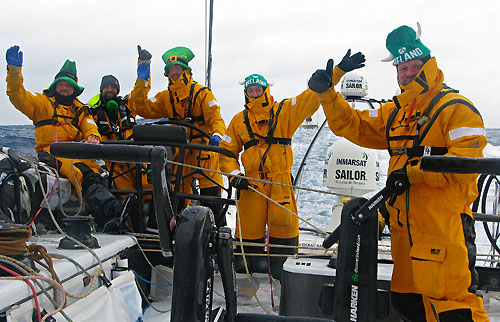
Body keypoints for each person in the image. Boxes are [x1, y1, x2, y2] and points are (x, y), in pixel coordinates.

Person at [308, 24, 489, 321]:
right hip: (404, 235)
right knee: (407, 305)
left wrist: (415, 173)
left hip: (443, 231)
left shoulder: (456, 108)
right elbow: (354, 125)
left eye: (413, 66)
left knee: (453, 309)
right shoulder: (397, 113)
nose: (407, 74)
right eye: (401, 68)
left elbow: (467, 163)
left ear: (428, 65)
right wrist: (329, 95)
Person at [219, 51, 365, 280]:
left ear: (266, 90)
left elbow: (313, 95)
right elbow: (226, 153)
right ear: (245, 93)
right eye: (250, 90)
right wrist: (234, 174)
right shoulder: (238, 120)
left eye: (258, 89)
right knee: (246, 237)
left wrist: (338, 72)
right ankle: (246, 284)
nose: (255, 93)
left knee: (285, 232)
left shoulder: (284, 111)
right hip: (250, 185)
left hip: (281, 184)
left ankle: (283, 280)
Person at [5, 45, 132, 228]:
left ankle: (110, 220)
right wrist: (14, 71)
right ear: (55, 85)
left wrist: (93, 137)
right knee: (83, 172)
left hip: (77, 153)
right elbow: (17, 96)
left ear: (74, 88)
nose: (64, 88)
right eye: (61, 84)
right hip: (52, 153)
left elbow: (89, 125)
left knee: (100, 173)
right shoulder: (41, 103)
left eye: (68, 85)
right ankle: (112, 211)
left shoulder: (80, 109)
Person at [129, 46, 227, 227]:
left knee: (213, 201)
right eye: (171, 69)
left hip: (205, 153)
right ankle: (175, 236)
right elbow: (141, 108)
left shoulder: (202, 94)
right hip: (181, 155)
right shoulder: (165, 97)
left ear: (185, 70)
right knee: (177, 200)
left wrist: (217, 134)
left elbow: (216, 117)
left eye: (177, 68)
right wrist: (142, 79)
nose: (174, 72)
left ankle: (219, 240)